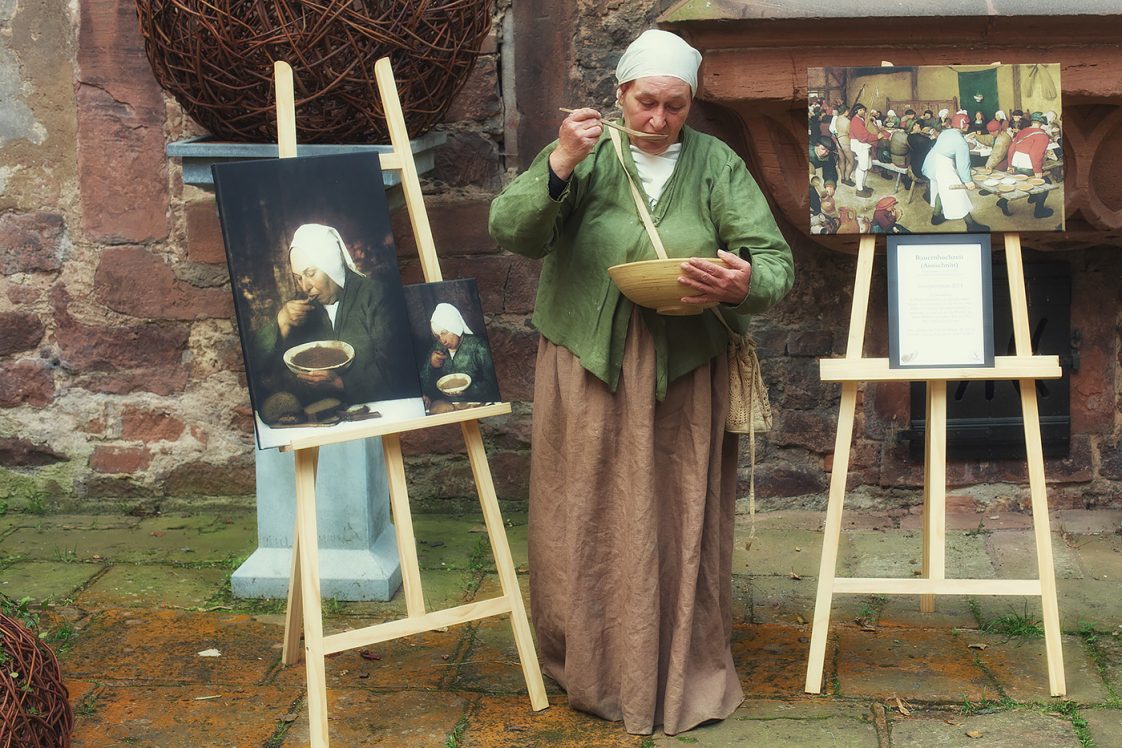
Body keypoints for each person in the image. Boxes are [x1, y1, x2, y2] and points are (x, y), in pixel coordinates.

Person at [487, 29, 794, 736]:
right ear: (620, 92)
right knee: (589, 509)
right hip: (590, 359)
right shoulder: (587, 154)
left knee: (680, 509)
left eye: (675, 107)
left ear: (690, 105)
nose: (658, 120)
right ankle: (590, 662)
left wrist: (741, 280)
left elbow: (774, 266)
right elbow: (512, 229)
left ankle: (682, 663)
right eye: (646, 102)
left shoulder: (717, 164)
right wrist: (560, 160)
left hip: (685, 362)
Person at [252, 223, 417, 422]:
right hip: (326, 423)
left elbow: (399, 371)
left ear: (330, 264)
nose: (305, 286)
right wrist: (282, 323)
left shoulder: (375, 295)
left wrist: (340, 383)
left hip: (381, 419)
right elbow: (258, 367)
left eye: (311, 273)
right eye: (298, 278)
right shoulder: (304, 311)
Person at [419, 302, 498, 410]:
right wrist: (431, 366)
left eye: (444, 332)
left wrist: (466, 391)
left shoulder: (478, 346)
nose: (442, 340)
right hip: (447, 406)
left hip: (476, 404)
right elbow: (425, 388)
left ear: (455, 325)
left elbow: (492, 385)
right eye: (438, 336)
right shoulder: (437, 350)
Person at [921, 113, 989, 231]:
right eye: (966, 123)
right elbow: (963, 163)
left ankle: (936, 216)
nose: (968, 125)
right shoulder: (961, 142)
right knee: (957, 194)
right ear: (962, 124)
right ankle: (971, 224)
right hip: (942, 166)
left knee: (941, 189)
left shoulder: (946, 132)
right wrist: (968, 181)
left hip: (932, 161)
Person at [997, 112, 1055, 219]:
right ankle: (1039, 211)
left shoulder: (1023, 131)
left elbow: (1012, 147)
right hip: (1028, 163)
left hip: (1016, 161)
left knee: (1020, 181)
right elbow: (1035, 154)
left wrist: (1010, 165)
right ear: (1042, 123)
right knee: (1045, 185)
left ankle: (1004, 201)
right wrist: (1037, 171)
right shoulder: (1042, 136)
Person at [848, 102, 878, 198]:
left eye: (864, 110)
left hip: (864, 145)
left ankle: (863, 186)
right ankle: (859, 190)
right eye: (861, 110)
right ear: (856, 111)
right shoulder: (855, 121)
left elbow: (866, 126)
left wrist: (870, 119)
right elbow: (863, 137)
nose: (863, 111)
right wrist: (877, 136)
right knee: (862, 168)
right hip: (860, 145)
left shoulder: (860, 119)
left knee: (865, 167)